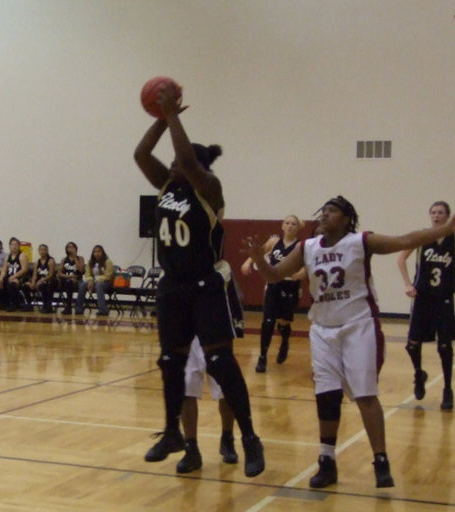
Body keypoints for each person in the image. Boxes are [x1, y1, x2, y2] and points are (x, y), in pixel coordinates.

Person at [245, 195, 455, 489]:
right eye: (323, 211)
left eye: (331, 211)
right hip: (323, 329)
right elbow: (276, 274)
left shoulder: (361, 241)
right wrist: (258, 259)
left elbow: (404, 239)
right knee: (326, 397)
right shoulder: (308, 247)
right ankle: (327, 460)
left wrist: (445, 229)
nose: (324, 215)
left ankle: (380, 461)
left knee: (365, 395)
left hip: (358, 326)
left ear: (346, 218)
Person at [134, 84, 264, 477]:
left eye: (179, 161)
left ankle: (249, 438)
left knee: (221, 363)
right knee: (171, 362)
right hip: (172, 286)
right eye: (173, 162)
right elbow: (140, 154)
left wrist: (174, 114)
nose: (173, 165)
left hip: (205, 286)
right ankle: (174, 433)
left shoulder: (209, 189)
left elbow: (189, 161)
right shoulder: (167, 186)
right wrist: (160, 118)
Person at [396, 201, 455, 410]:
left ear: (447, 216)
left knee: (445, 345)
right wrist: (408, 284)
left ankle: (447, 389)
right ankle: (419, 374)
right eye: (433, 212)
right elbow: (401, 259)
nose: (436, 215)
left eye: (440, 212)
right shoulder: (422, 236)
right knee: (412, 344)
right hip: (423, 297)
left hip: (444, 298)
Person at [176, 260, 243, 473]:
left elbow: (232, 297)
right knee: (186, 390)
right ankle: (191, 447)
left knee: (224, 390)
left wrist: (237, 324)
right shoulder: (176, 263)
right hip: (186, 333)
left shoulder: (221, 266)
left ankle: (227, 438)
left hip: (216, 333)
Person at [241, 215, 307, 372]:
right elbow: (258, 253)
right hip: (273, 284)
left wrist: (301, 274)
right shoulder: (274, 242)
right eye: (287, 223)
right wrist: (248, 262)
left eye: (293, 224)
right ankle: (262, 356)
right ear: (282, 226)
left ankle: (284, 341)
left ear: (298, 228)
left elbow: (307, 266)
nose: (290, 226)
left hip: (291, 286)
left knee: (284, 320)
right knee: (268, 320)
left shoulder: (301, 246)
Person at [0, 237, 29, 311]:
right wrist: (0, 279)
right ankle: (0, 303)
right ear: (9, 246)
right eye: (12, 244)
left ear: (19, 246)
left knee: (12, 283)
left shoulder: (22, 256)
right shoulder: (8, 257)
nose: (14, 246)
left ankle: (13, 304)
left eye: (16, 244)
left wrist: (14, 276)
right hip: (8, 277)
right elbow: (4, 270)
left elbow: (24, 269)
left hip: (19, 278)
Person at [74, 245, 114, 316]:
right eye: (95, 252)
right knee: (82, 284)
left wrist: (94, 280)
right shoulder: (90, 262)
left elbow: (108, 275)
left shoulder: (108, 262)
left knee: (99, 286)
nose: (97, 253)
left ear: (102, 253)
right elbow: (87, 274)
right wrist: (90, 281)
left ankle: (103, 310)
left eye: (99, 252)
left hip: (106, 283)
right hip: (93, 282)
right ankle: (78, 309)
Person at [26, 244, 57, 313]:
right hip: (39, 280)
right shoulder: (37, 262)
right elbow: (34, 275)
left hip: (50, 280)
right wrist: (33, 282)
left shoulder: (50, 260)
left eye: (44, 250)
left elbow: (51, 274)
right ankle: (28, 305)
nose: (42, 251)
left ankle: (47, 305)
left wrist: (42, 280)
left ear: (47, 251)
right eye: (41, 250)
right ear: (38, 251)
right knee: (26, 285)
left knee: (44, 285)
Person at [57, 242, 85, 314]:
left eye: (72, 247)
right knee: (68, 282)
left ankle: (72, 306)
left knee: (73, 283)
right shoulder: (64, 259)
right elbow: (59, 273)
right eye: (69, 247)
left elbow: (81, 270)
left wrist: (75, 258)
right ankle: (68, 306)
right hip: (67, 278)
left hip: (78, 279)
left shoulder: (80, 258)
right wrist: (68, 276)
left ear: (76, 249)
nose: (70, 248)